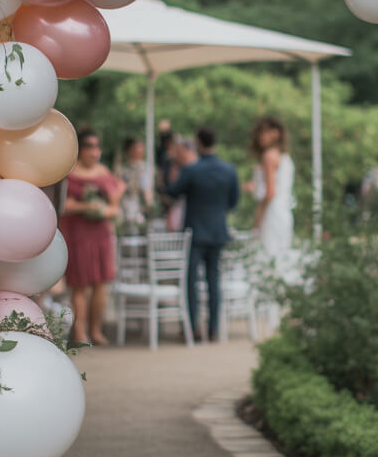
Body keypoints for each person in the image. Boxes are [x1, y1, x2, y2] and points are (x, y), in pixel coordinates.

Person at [166, 126, 239, 342]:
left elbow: (171, 192)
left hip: (194, 234)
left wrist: (173, 165)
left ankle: (193, 329)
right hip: (218, 232)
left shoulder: (191, 170)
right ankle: (214, 328)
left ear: (198, 142)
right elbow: (233, 202)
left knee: (191, 282)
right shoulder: (229, 170)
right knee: (213, 280)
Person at [58, 128, 125, 346]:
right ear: (81, 149)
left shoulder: (104, 173)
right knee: (80, 284)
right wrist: (86, 206)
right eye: (90, 147)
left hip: (101, 234)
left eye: (97, 147)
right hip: (77, 233)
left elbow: (115, 205)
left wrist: (106, 209)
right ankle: (79, 331)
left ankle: (96, 329)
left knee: (101, 283)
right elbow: (63, 205)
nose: (95, 152)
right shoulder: (69, 173)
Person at [247, 116, 295, 263]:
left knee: (268, 257)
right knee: (280, 256)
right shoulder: (284, 156)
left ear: (275, 133)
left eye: (264, 132)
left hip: (272, 213)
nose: (261, 136)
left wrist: (257, 218)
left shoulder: (268, 156)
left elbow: (270, 193)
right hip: (285, 213)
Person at [118, 136, 153, 233]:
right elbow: (146, 191)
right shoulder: (123, 168)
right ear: (129, 150)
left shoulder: (143, 168)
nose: (140, 150)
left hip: (135, 209)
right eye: (137, 147)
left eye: (141, 147)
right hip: (128, 210)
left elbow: (147, 191)